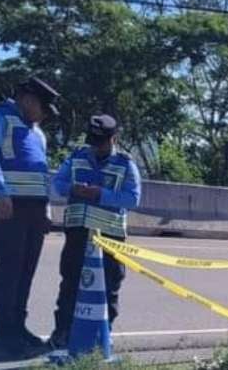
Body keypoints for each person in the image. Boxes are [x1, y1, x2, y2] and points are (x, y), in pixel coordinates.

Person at [0, 76, 60, 357]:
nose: (43, 116)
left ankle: (18, 326)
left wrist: (46, 209)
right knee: (9, 270)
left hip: (34, 209)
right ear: (28, 100)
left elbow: (41, 173)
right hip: (7, 206)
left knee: (26, 271)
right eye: (42, 109)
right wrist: (1, 193)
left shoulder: (37, 132)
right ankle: (4, 334)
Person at [48, 114, 141, 349]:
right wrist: (73, 189)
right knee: (70, 283)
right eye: (93, 142)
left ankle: (102, 338)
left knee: (108, 287)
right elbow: (57, 185)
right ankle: (62, 333)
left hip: (109, 238)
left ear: (113, 139)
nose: (96, 147)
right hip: (78, 233)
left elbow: (133, 198)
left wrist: (101, 194)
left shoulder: (125, 164)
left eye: (101, 143)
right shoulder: (77, 157)